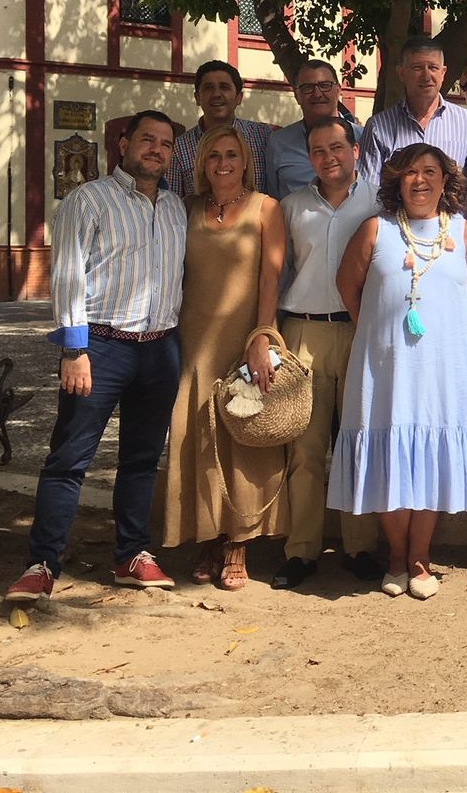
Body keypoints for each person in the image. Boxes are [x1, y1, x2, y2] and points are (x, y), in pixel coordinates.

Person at [5, 111, 187, 603]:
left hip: (160, 349)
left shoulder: (176, 207)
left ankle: (132, 555)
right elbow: (68, 275)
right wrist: (75, 349)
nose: (156, 149)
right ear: (124, 144)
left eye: (166, 143)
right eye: (147, 139)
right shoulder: (88, 200)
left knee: (142, 459)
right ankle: (42, 563)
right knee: (69, 459)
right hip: (101, 347)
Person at [329, 143, 467, 600]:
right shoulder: (375, 229)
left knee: (429, 457)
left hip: (441, 367)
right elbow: (348, 286)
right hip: (386, 366)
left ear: (445, 181)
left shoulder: (465, 233)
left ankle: (420, 558)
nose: (420, 180)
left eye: (430, 172)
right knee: (389, 455)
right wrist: (377, 332)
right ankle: (397, 558)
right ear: (397, 181)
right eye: (411, 173)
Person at [155, 124, 288, 591]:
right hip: (193, 340)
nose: (224, 163)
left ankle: (239, 542)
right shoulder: (186, 208)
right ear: (202, 164)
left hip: (243, 338)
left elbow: (271, 278)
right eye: (214, 156)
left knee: (243, 438)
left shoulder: (266, 208)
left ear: (245, 161)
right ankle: (208, 537)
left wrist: (262, 335)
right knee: (197, 438)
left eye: (232, 154)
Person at [272, 116, 381, 591]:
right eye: (318, 150)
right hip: (305, 332)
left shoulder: (380, 202)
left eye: (337, 147)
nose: (328, 157)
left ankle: (361, 547)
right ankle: (301, 550)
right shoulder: (291, 206)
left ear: (355, 151)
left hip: (361, 331)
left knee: (359, 444)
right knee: (305, 450)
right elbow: (278, 273)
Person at [358, 37, 467, 185]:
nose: (426, 76)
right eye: (417, 68)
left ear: (443, 73)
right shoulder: (378, 128)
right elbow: (369, 191)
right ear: (401, 73)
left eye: (433, 68)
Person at [169, 61, 277, 197]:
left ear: (239, 97)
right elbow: (172, 201)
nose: (216, 94)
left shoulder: (262, 137)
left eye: (224, 87)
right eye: (208, 88)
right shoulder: (179, 147)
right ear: (197, 98)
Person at [267, 59, 362, 199]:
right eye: (308, 88)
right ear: (297, 96)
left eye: (325, 85)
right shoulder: (278, 142)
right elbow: (272, 198)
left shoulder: (363, 137)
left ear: (338, 90)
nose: (317, 94)